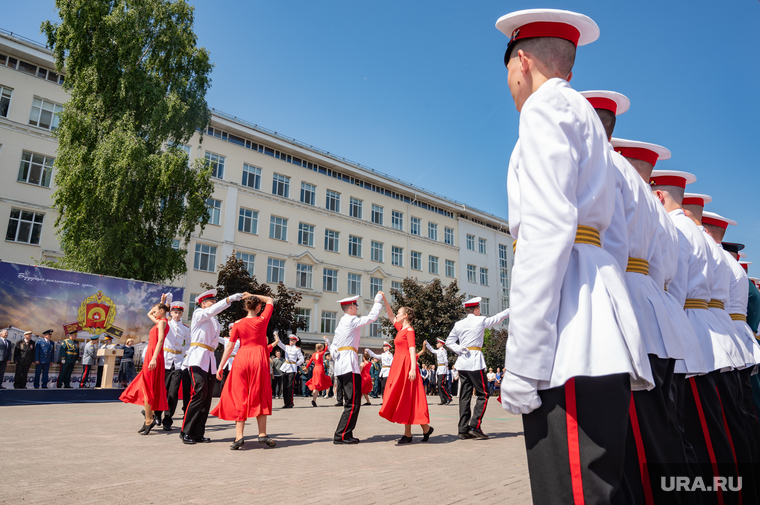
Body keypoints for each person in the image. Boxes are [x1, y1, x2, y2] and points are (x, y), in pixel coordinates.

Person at [496, 9, 655, 503]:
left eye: (507, 74)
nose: (510, 86)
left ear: (522, 61)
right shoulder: (584, 117)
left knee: (572, 491)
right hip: (599, 320)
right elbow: (619, 243)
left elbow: (544, 233)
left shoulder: (544, 110)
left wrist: (522, 361)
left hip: (567, 336)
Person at [651, 171, 743, 501]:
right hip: (715, 334)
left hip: (693, 335)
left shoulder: (676, 228)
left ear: (659, 196)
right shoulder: (697, 233)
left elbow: (672, 290)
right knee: (722, 435)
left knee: (700, 439)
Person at [180, 289, 250, 445]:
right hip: (197, 357)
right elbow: (212, 311)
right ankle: (186, 431)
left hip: (209, 359)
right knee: (198, 392)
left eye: (214, 301)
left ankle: (198, 432)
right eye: (211, 301)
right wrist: (230, 298)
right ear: (203, 303)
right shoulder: (199, 313)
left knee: (206, 397)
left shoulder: (214, 321)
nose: (213, 303)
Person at [211, 295, 278, 450]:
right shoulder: (262, 320)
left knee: (239, 396)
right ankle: (262, 434)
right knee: (260, 394)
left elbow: (229, 347)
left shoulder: (237, 324)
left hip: (241, 359)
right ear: (258, 307)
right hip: (258, 358)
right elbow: (270, 300)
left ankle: (239, 437)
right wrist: (251, 295)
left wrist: (221, 366)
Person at [446, 297, 509, 440]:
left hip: (462, 363)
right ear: (476, 309)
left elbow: (449, 341)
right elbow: (498, 318)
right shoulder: (480, 320)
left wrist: (459, 349)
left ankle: (463, 429)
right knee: (484, 394)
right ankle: (475, 426)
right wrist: (511, 309)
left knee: (464, 396)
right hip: (475, 362)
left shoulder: (459, 324)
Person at [326, 292, 384, 444]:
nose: (357, 308)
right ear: (351, 307)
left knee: (352, 402)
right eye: (356, 306)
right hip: (349, 365)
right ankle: (341, 435)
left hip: (342, 365)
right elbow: (372, 317)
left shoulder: (341, 324)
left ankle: (347, 433)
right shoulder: (351, 320)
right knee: (352, 403)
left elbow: (333, 349)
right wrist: (377, 300)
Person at [378, 297, 433, 443]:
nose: (396, 315)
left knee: (407, 397)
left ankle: (409, 434)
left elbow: (412, 349)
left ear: (405, 316)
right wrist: (384, 299)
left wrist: (413, 369)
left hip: (407, 366)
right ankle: (424, 429)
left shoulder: (409, 330)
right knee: (403, 397)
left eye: (399, 313)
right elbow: (390, 315)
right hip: (398, 365)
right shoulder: (400, 328)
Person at [120, 296, 170, 435]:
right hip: (152, 355)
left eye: (155, 312)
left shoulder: (162, 323)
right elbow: (149, 314)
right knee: (147, 386)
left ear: (161, 311)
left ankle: (149, 419)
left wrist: (154, 358)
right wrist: (161, 303)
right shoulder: (161, 321)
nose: (152, 314)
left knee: (148, 387)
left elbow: (160, 341)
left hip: (154, 355)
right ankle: (149, 418)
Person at [161, 299, 190, 431]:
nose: (177, 315)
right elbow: (159, 315)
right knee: (162, 390)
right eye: (175, 312)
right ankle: (156, 414)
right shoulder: (166, 324)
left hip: (178, 362)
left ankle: (168, 419)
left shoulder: (185, 328)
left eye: (179, 313)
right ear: (171, 313)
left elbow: (189, 343)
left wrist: (185, 354)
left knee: (173, 393)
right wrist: (164, 303)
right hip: (166, 360)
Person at [276, 334, 304, 409]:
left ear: (295, 341)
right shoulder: (287, 347)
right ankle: (286, 403)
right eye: (290, 340)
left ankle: (290, 403)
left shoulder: (297, 349)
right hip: (285, 367)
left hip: (292, 369)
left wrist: (295, 364)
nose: (290, 341)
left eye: (292, 340)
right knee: (284, 386)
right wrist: (276, 334)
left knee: (290, 386)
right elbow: (279, 343)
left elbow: (302, 359)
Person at [425, 339, 452, 405]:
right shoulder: (439, 350)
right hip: (439, 368)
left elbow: (445, 360)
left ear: (441, 344)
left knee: (441, 384)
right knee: (439, 385)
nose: (436, 344)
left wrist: (446, 368)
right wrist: (427, 343)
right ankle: (443, 400)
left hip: (443, 368)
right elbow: (432, 350)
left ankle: (449, 397)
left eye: (438, 343)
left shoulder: (443, 350)